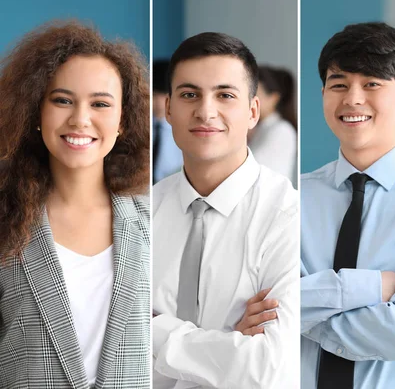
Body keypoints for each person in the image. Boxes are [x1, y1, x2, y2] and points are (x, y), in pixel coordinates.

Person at [0, 21, 150, 388]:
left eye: (100, 103)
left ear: (123, 122)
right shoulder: (5, 218)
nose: (80, 119)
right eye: (62, 100)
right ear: (36, 112)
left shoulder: (154, 222)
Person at [301, 22, 395, 389]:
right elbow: (258, 302)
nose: (352, 98)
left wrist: (302, 311)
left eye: (372, 83)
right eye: (339, 84)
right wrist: (368, 288)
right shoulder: (293, 196)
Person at [152, 32, 299, 389]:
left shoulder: (288, 215)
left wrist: (152, 328)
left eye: (225, 95)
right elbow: (109, 344)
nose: (206, 111)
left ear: (252, 111)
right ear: (168, 108)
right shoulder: (141, 212)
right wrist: (226, 340)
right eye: (189, 95)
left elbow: (268, 368)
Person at [249, 65, 297, 185]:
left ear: (274, 98)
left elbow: (250, 169)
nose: (248, 100)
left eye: (255, 94)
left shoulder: (281, 130)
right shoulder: (260, 128)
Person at [153, 59, 183, 183]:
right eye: (153, 94)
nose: (158, 101)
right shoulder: (141, 126)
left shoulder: (182, 129)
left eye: (163, 95)